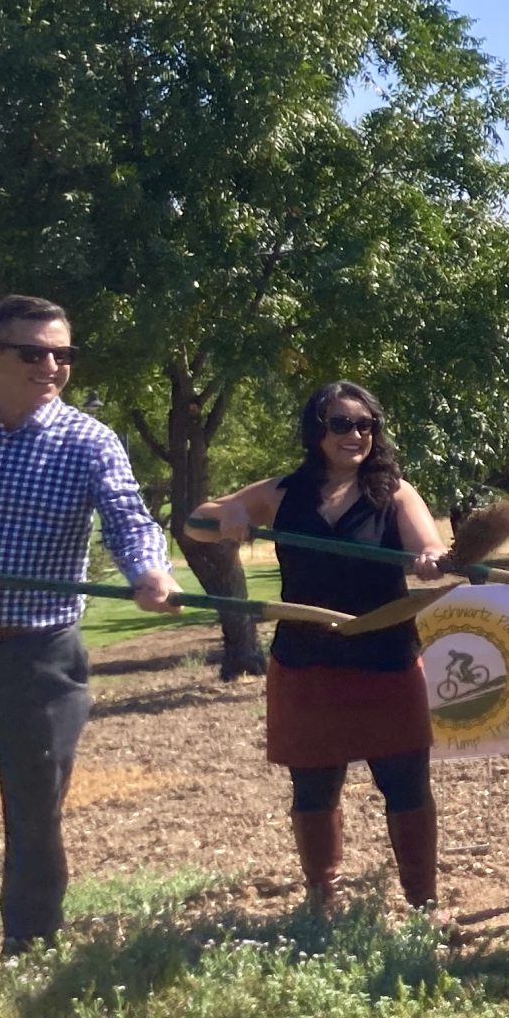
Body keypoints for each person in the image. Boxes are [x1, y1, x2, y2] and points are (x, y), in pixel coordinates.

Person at [0, 295, 180, 999]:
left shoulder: (89, 440)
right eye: (34, 352)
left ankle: (27, 971)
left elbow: (128, 517)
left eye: (63, 354)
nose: (52, 365)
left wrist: (150, 572)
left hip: (40, 661)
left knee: (35, 820)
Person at [193, 383, 451, 912]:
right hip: (306, 663)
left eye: (365, 425)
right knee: (313, 791)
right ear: (317, 431)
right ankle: (322, 902)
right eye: (340, 424)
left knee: (406, 787)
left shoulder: (395, 492)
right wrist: (228, 515)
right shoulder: (284, 492)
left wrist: (429, 558)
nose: (354, 435)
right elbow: (196, 524)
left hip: (386, 659)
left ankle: (423, 905)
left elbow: (429, 545)